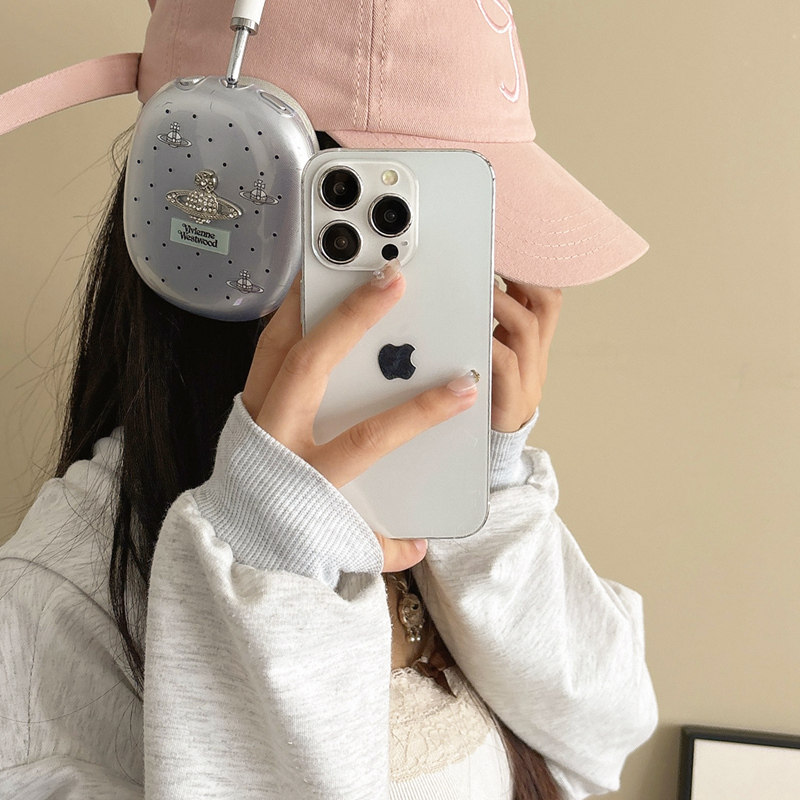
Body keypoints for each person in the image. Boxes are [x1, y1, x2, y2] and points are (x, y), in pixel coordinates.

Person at [0, 1, 658, 798]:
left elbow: (605, 737)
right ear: (226, 206)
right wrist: (267, 564)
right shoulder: (48, 616)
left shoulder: (414, 489)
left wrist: (494, 490)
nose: (478, 280)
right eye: (408, 222)